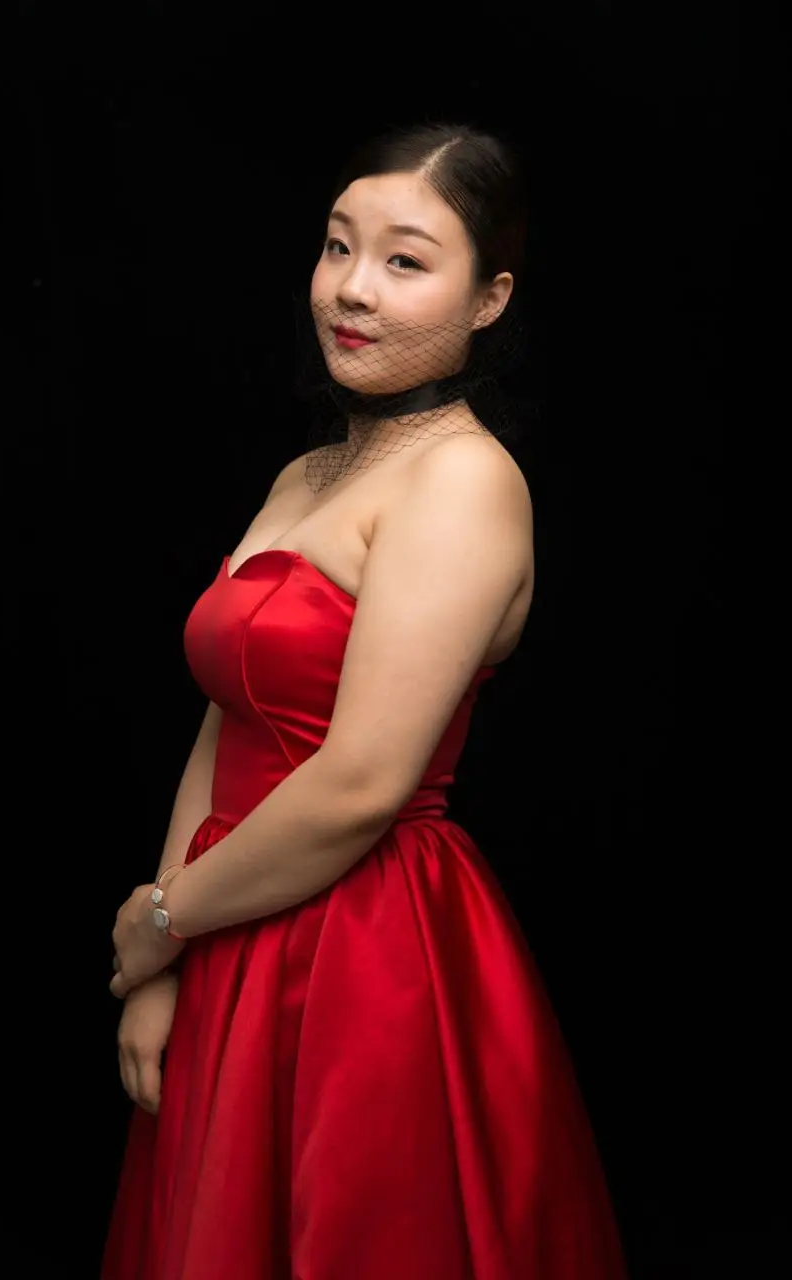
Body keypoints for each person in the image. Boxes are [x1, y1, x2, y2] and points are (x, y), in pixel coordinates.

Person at [102, 123, 627, 1280]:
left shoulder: (464, 478)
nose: (351, 288)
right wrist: (164, 956)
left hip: (356, 945)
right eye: (338, 246)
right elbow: (227, 716)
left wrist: (161, 922)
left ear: (489, 298)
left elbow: (359, 784)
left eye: (403, 260)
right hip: (228, 913)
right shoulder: (307, 474)